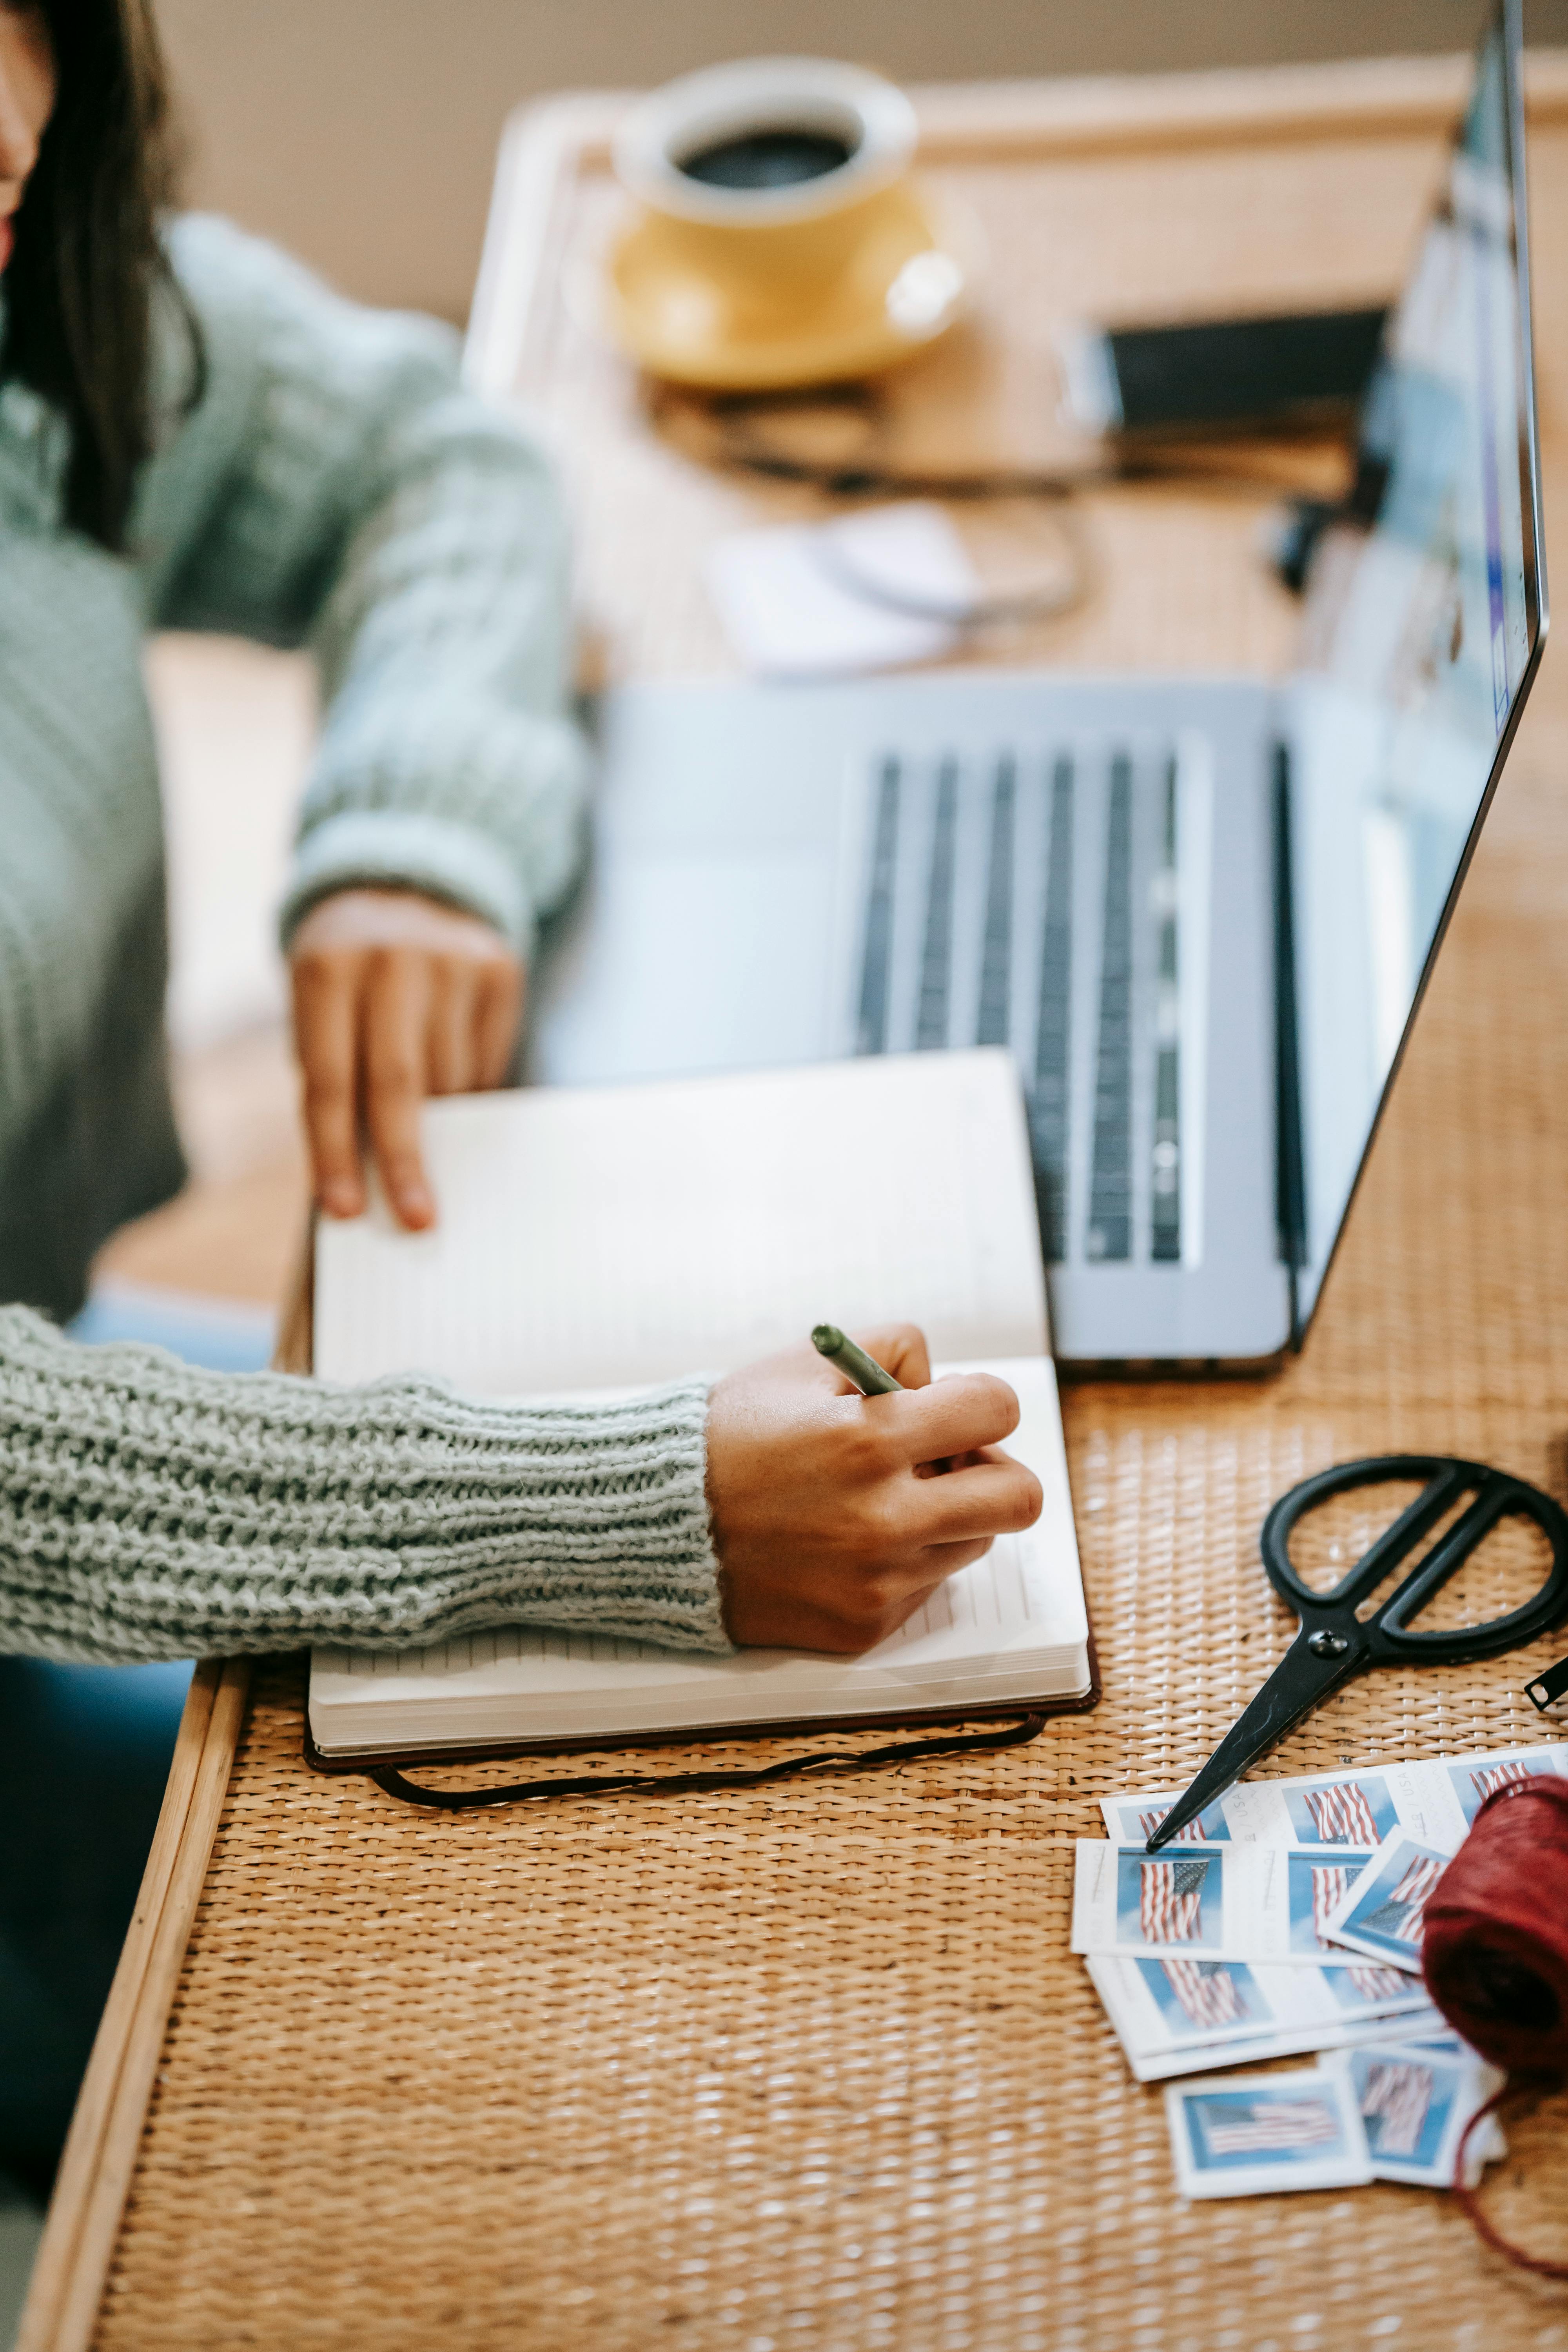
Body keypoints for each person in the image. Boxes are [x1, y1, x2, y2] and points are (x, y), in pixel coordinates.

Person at [0, 0, 1043, 2193]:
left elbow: (434, 458)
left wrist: (414, 825)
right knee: (584, 2068)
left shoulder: (38, 337)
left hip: (68, 1365)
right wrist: (620, 1510)